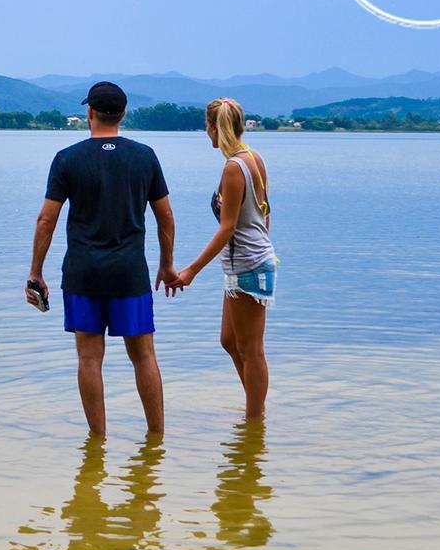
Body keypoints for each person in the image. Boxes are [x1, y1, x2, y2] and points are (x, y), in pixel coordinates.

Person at [27, 81, 177, 435]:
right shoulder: (144, 156)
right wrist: (167, 263)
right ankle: (156, 438)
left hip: (84, 273)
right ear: (123, 114)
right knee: (144, 356)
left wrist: (36, 272)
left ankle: (98, 441)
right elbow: (166, 217)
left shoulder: (67, 159)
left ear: (90, 113)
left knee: (89, 358)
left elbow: (46, 219)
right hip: (130, 273)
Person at [168, 98, 276, 419]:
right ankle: (254, 419)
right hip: (245, 262)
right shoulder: (252, 158)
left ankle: (255, 419)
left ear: (216, 127)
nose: (206, 134)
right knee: (229, 341)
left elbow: (227, 228)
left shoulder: (234, 167)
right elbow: (266, 212)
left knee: (251, 350)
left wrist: (191, 270)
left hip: (249, 265)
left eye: (207, 127)